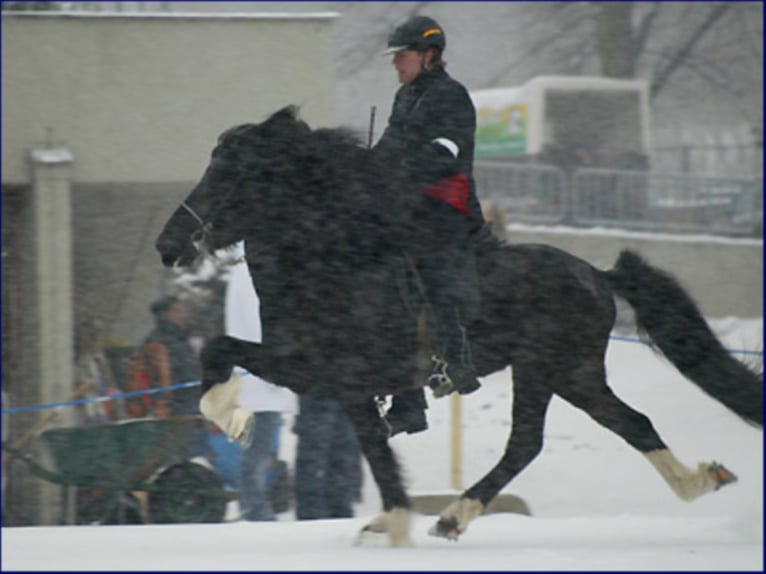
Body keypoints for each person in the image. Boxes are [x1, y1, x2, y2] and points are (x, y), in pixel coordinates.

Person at [373, 15, 485, 436]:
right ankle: (408, 402)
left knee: (426, 261)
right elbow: (387, 149)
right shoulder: (404, 98)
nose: (395, 64)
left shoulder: (452, 97)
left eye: (401, 56)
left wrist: (396, 175)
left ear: (429, 56)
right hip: (408, 204)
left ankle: (455, 361)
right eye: (395, 57)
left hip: (445, 208)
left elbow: (443, 156)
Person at [225, 243, 298, 521]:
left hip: (254, 381)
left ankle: (255, 503)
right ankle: (254, 506)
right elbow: (260, 326)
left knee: (259, 448)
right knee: (259, 449)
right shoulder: (251, 278)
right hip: (261, 383)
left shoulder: (240, 277)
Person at [142, 295, 212, 460]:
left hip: (186, 408)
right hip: (181, 410)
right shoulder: (165, 342)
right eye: (177, 311)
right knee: (191, 458)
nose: (182, 314)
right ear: (165, 314)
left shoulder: (177, 339)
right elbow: (182, 374)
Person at [293, 389, 362, 520]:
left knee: (340, 457)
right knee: (316, 458)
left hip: (343, 390)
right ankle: (312, 515)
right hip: (322, 390)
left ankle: (336, 513)